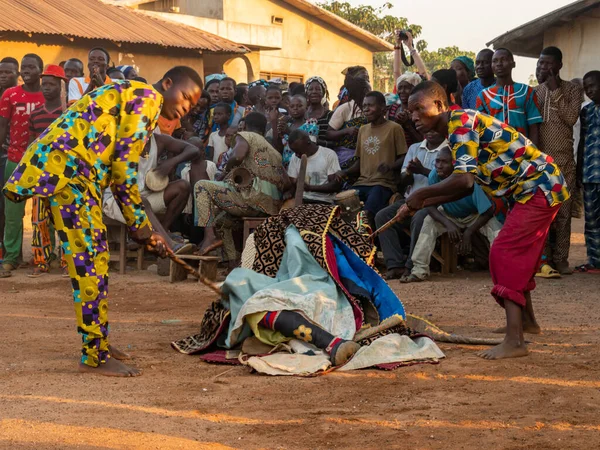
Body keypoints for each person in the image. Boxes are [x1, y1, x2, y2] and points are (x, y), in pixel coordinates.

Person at [3, 66, 203, 376]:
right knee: (90, 263)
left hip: (76, 176)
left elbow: (112, 161)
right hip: (69, 175)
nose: (186, 106)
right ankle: (94, 355)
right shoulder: (146, 100)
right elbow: (124, 173)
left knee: (93, 261)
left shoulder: (131, 93)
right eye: (186, 96)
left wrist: (145, 229)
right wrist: (141, 226)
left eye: (193, 105)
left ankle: (98, 342)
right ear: (166, 83)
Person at [404, 81, 568, 359]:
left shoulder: (460, 124)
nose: (415, 117)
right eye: (411, 112)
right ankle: (526, 323)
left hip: (538, 188)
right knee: (516, 255)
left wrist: (422, 194)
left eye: (420, 108)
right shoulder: (457, 128)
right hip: (537, 187)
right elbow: (464, 185)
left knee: (505, 251)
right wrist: (423, 201)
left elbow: (464, 180)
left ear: (441, 106)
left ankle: (515, 340)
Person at [194, 112, 287, 264]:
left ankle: (209, 237)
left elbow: (237, 156)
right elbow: (286, 181)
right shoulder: (274, 151)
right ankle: (232, 263)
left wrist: (225, 171)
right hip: (270, 207)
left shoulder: (245, 135)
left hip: (251, 199)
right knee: (222, 221)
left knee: (201, 186)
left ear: (245, 126)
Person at [402, 147, 502, 283]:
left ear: (454, 164)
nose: (439, 166)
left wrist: (468, 232)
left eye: (444, 162)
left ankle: (504, 271)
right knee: (428, 222)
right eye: (437, 161)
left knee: (497, 232)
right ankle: (419, 271)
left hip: (475, 215)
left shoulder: (466, 178)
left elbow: (488, 211)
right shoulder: (434, 176)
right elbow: (429, 204)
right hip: (450, 214)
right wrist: (447, 223)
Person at [535, 46, 584, 277]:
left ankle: (561, 259)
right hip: (541, 164)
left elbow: (570, 118)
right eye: (541, 63)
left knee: (563, 214)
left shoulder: (573, 91)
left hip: (565, 161)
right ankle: (542, 259)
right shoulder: (534, 92)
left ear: (559, 66)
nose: (543, 67)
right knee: (542, 213)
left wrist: (555, 91)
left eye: (548, 64)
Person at [374, 131, 447, 279]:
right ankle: (395, 265)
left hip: (434, 202)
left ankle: (411, 265)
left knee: (419, 218)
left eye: (434, 128)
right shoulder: (414, 148)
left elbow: (449, 181)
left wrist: (422, 171)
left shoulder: (449, 150)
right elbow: (403, 181)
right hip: (411, 200)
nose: (430, 132)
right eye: (428, 129)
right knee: (382, 216)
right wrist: (408, 173)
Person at [0, 54, 45, 276]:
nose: (26, 70)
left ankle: (46, 257)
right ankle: (10, 258)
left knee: (44, 213)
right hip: (15, 159)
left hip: (42, 163)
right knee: (12, 213)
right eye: (24, 67)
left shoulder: (48, 95)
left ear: (40, 70)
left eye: (31, 67)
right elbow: (2, 127)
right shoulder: (10, 95)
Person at [335, 91, 407, 225]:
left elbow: (404, 157)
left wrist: (390, 166)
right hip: (361, 183)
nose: (366, 109)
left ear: (382, 108)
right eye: (364, 106)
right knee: (340, 210)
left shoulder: (394, 128)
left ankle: (368, 244)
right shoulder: (363, 129)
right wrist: (343, 172)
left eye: (370, 105)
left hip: (383, 184)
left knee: (365, 216)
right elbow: (358, 161)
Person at [26, 65, 68, 277]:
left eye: (52, 84)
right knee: (38, 218)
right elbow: (31, 144)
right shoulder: (35, 115)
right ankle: (41, 260)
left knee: (64, 218)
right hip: (41, 174)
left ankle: (65, 261)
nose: (46, 89)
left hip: (64, 174)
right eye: (44, 85)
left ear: (61, 87)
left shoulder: (68, 113)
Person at [476, 48, 542, 145]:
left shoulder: (526, 91)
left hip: (522, 151)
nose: (499, 64)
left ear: (513, 64)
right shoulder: (483, 95)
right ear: (491, 65)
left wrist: (533, 154)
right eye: (495, 61)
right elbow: (480, 129)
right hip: (494, 153)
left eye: (503, 60)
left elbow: (533, 126)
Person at [577, 70, 600, 273]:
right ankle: (595, 260)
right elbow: (583, 140)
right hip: (590, 172)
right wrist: (578, 170)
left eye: (593, 86)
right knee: (592, 219)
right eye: (586, 88)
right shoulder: (586, 111)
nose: (589, 91)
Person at [287, 129, 341, 203]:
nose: (297, 155)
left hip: (324, 201)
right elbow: (292, 182)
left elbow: (335, 186)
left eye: (299, 151)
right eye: (294, 152)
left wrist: (310, 188)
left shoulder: (328, 155)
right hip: (302, 200)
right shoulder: (295, 157)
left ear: (308, 142)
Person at [327, 74, 370, 167]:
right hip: (346, 156)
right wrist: (346, 131)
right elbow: (329, 133)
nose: (369, 92)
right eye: (367, 89)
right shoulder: (345, 108)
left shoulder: (372, 108)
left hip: (369, 152)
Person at [0, 57, 18, 264]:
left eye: (7, 72)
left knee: (7, 208)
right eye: (0, 72)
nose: (3, 76)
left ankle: (12, 253)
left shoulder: (15, 97)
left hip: (10, 155)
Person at [275, 95, 318, 168]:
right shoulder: (287, 125)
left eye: (299, 106)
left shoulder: (311, 124)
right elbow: (280, 148)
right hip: (287, 166)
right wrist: (280, 135)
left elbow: (311, 146)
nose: (295, 108)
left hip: (303, 165)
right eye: (292, 106)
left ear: (306, 108)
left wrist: (288, 132)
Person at [387, 73, 423, 149]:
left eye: (407, 88)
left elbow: (421, 141)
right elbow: (386, 134)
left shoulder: (420, 111)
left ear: (415, 89)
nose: (402, 91)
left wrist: (408, 125)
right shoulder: (392, 109)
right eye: (400, 88)